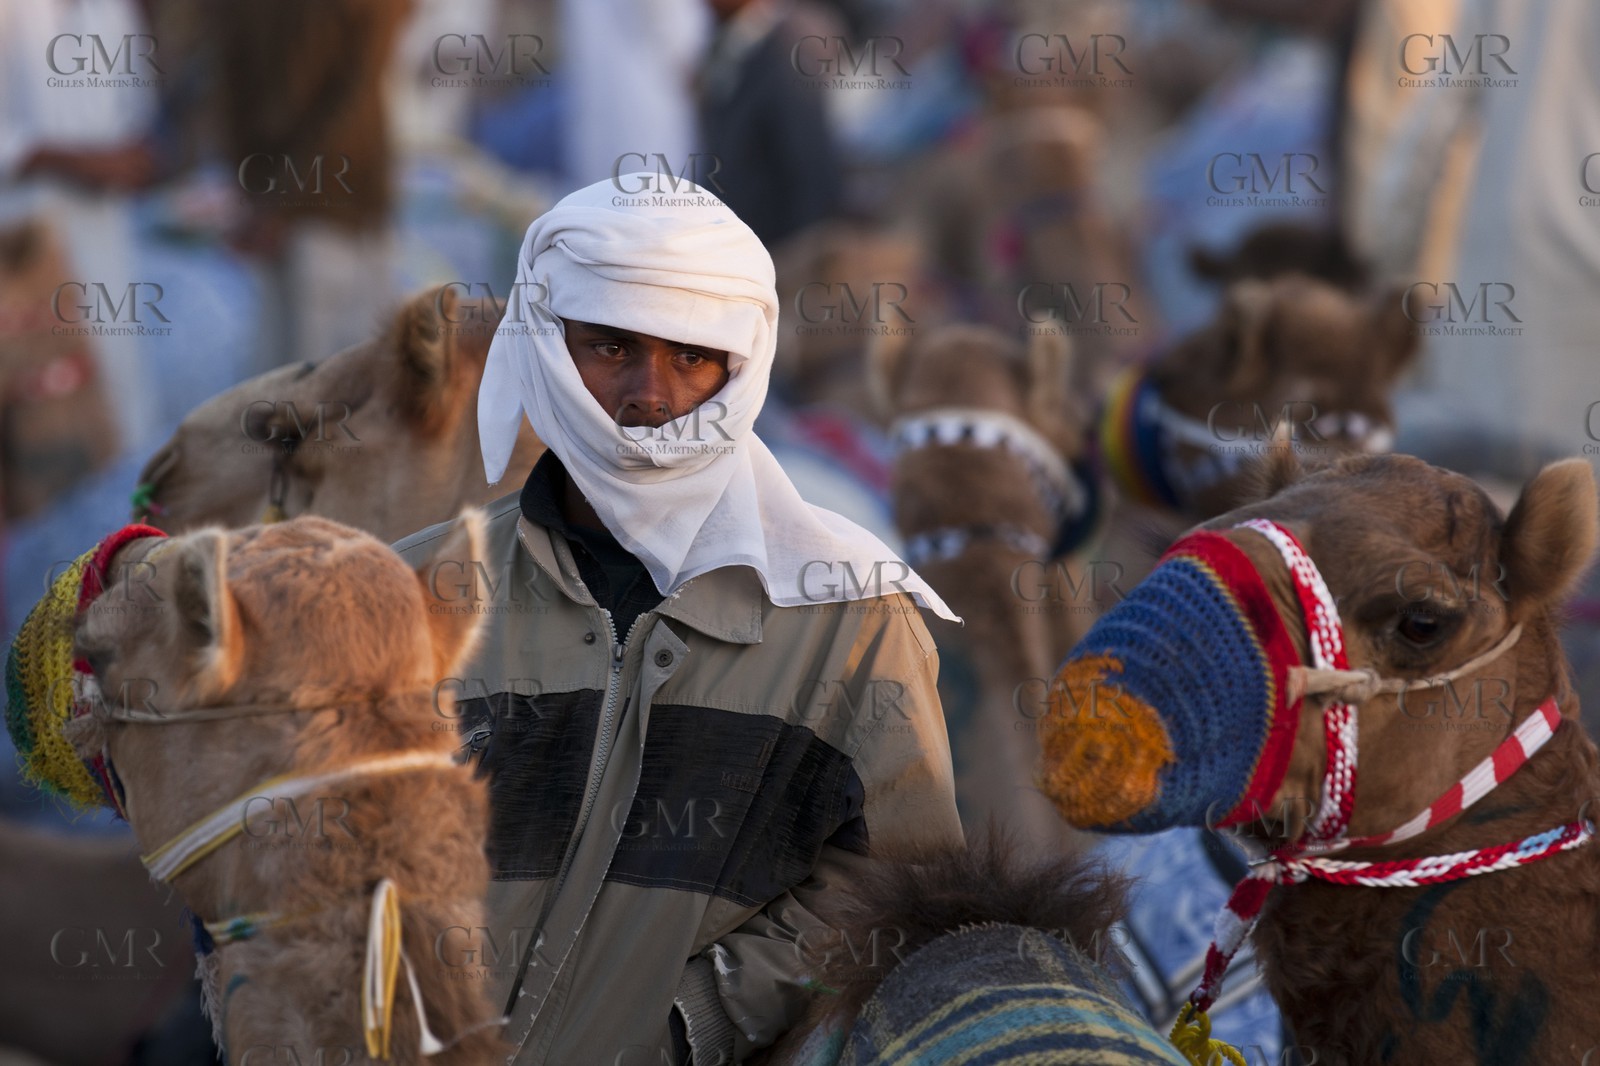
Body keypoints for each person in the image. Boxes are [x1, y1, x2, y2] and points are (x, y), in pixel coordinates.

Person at [393, 174, 963, 1064]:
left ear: (740, 365)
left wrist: (698, 1018)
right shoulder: (411, 591)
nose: (649, 396)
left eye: (691, 356)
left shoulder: (850, 620)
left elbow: (903, 885)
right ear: (545, 344)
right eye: (612, 347)